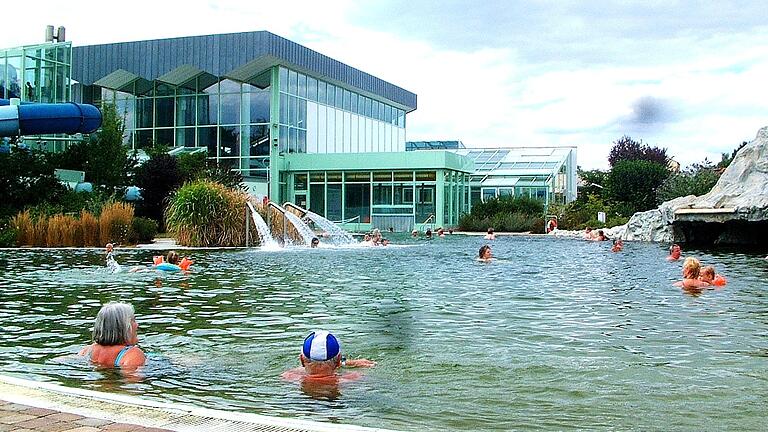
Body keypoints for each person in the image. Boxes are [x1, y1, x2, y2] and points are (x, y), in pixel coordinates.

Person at [281, 330, 375, 384]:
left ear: (301, 359)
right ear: (339, 360)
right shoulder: (353, 378)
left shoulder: (289, 377)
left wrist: (345, 363)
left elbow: (307, 369)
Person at [79, 302, 145, 369]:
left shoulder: (86, 351)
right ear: (123, 327)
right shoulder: (133, 354)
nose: (137, 325)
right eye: (133, 320)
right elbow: (132, 378)